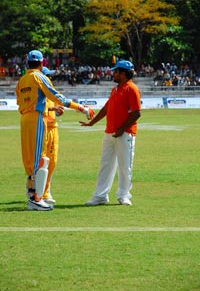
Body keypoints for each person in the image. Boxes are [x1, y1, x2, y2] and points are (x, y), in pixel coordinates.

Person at [16, 50, 94, 211]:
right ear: (41, 63)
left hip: (25, 120)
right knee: (40, 159)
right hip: (38, 118)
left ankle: (33, 195)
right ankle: (37, 198)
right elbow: (57, 96)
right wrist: (80, 107)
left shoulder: (22, 80)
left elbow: (20, 103)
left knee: (31, 160)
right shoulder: (39, 77)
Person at [80, 60, 141, 206]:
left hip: (125, 134)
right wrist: (92, 122)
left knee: (125, 166)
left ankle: (124, 195)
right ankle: (100, 195)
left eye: (116, 72)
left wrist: (122, 128)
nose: (113, 74)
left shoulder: (132, 89)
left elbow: (137, 113)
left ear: (124, 73)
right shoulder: (115, 89)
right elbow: (107, 108)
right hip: (109, 133)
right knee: (105, 165)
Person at [41, 66, 64, 204]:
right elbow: (33, 107)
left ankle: (46, 191)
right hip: (42, 128)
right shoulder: (38, 91)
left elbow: (56, 105)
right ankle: (34, 190)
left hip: (53, 128)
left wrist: (58, 110)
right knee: (40, 161)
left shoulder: (52, 91)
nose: (50, 78)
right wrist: (52, 108)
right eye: (47, 76)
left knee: (52, 161)